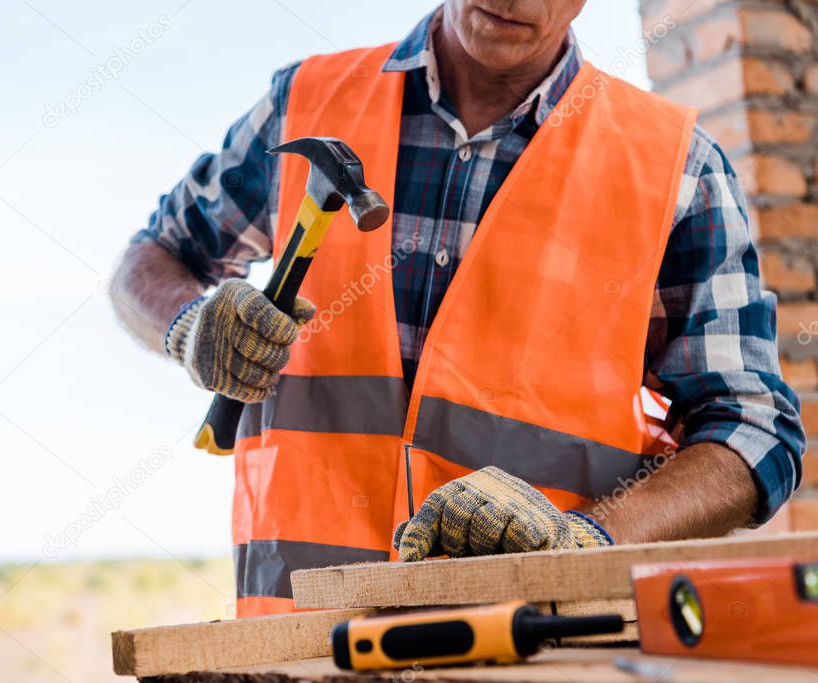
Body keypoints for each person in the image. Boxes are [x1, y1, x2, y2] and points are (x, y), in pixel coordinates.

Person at [111, 1, 805, 617]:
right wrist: (185, 325)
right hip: (293, 641)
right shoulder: (305, 102)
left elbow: (752, 433)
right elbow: (150, 259)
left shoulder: (675, 167)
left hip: (534, 641)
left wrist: (587, 540)